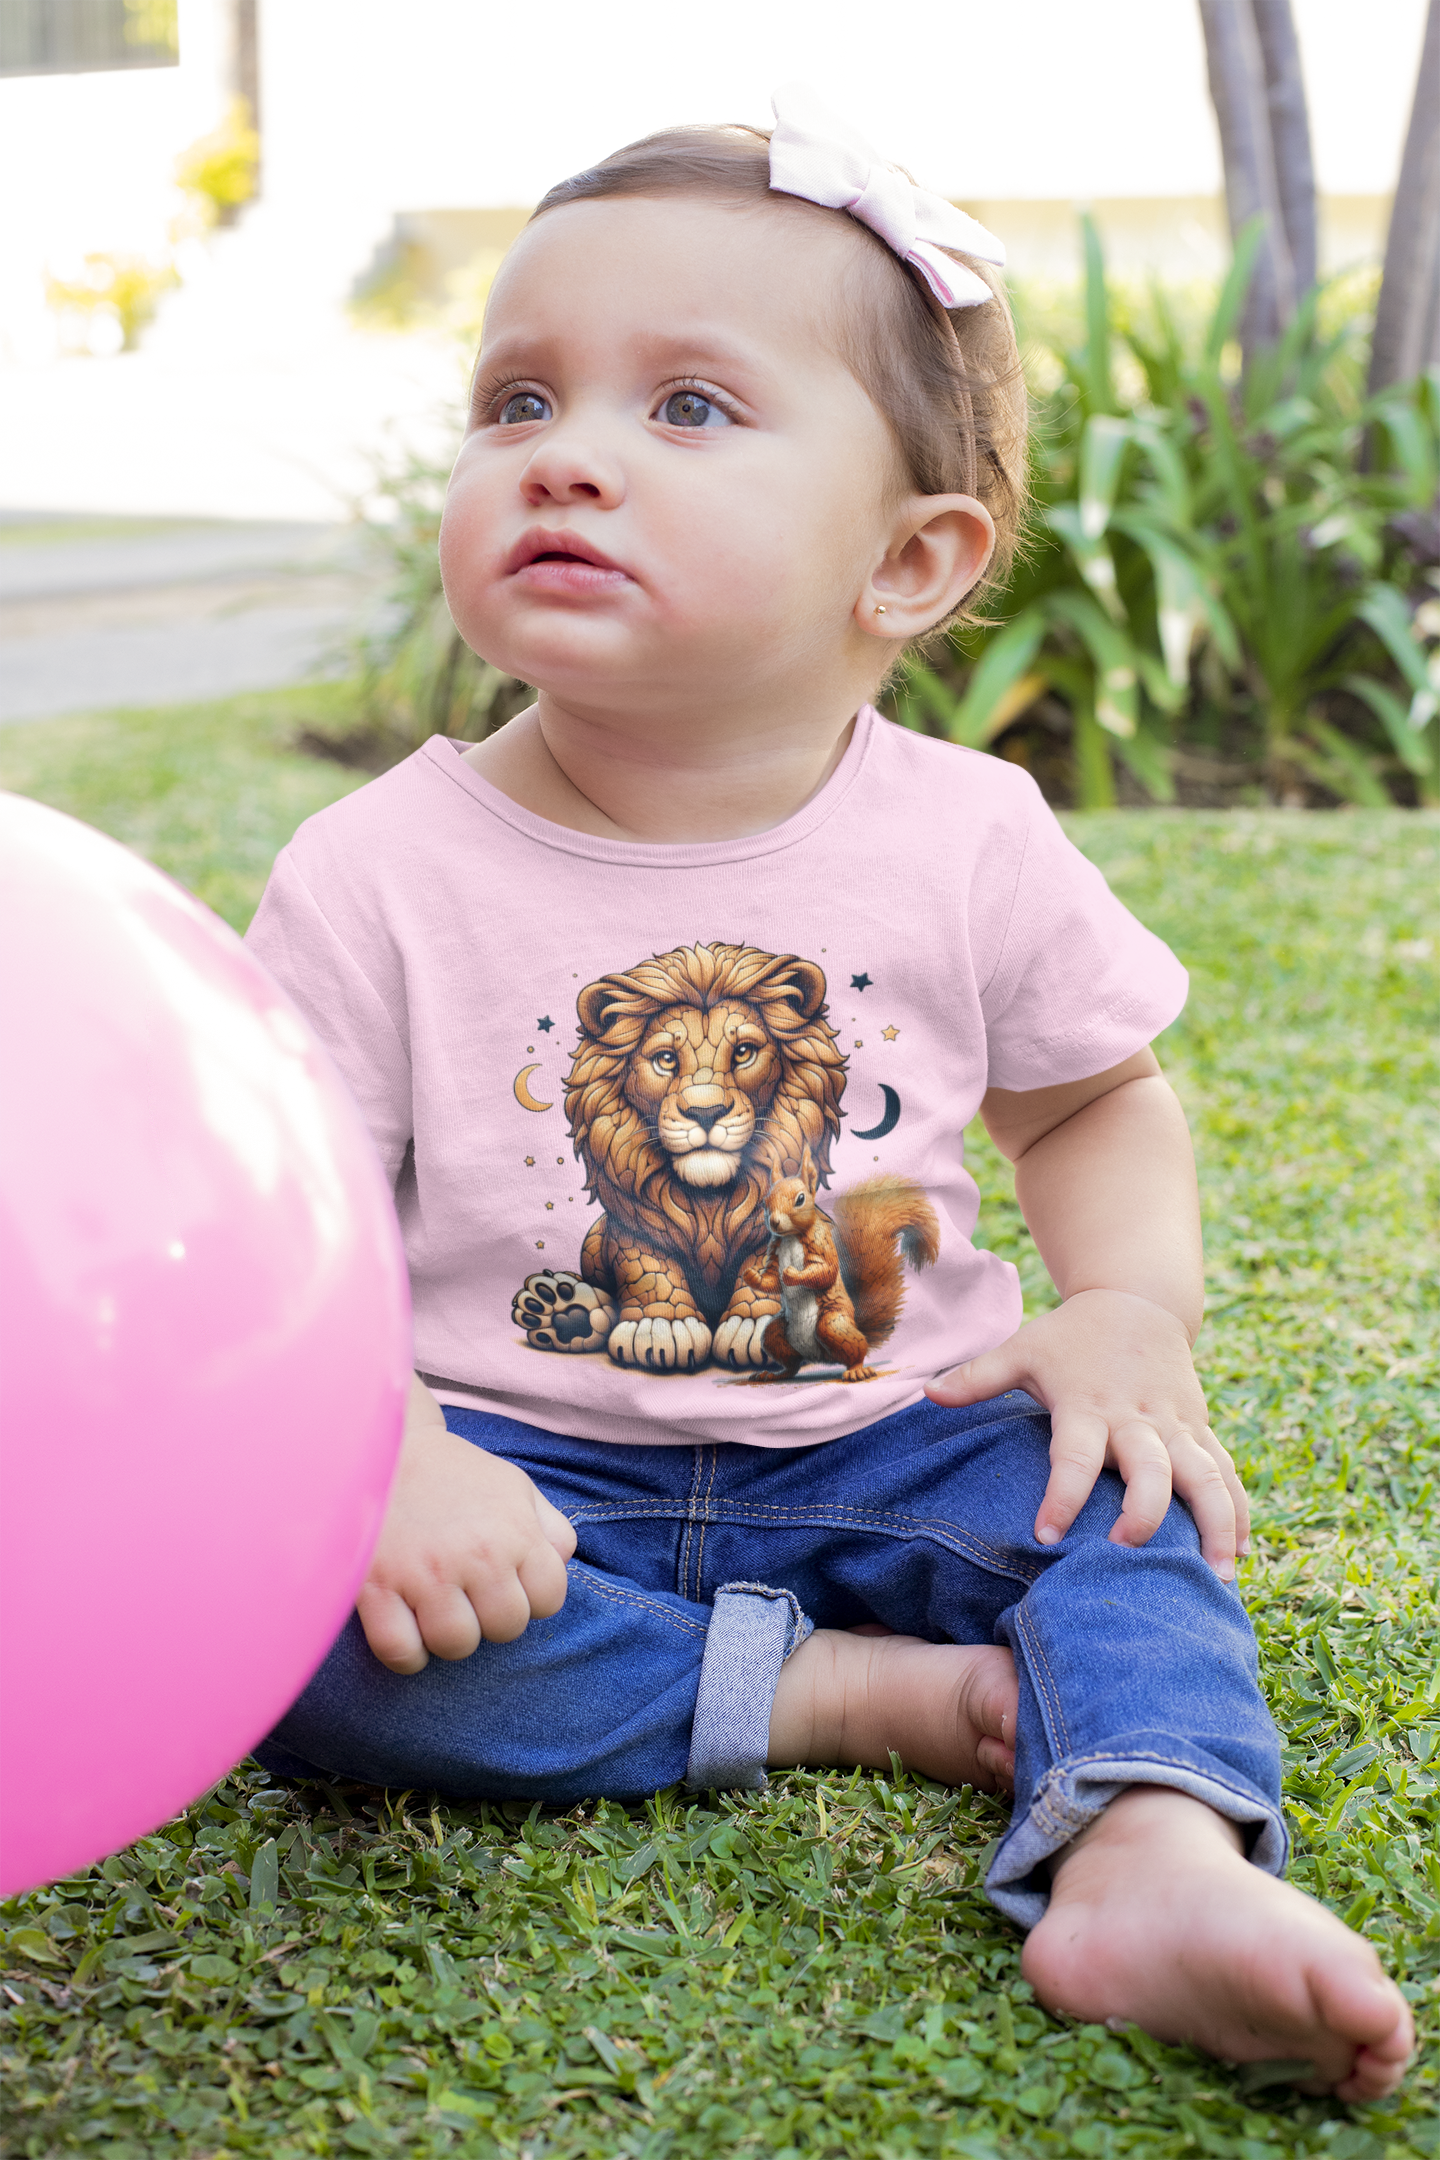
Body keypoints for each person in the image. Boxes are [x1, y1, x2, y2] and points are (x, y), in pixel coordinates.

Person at [245, 88, 1412, 2101]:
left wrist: (1128, 1309)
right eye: (517, 402)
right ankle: (844, 1700)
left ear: (911, 559)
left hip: (901, 1426)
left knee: (1133, 1524)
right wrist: (384, 1448)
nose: (571, 456)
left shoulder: (968, 838)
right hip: (524, 1465)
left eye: (686, 410)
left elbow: (1093, 1102)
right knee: (310, 1648)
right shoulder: (369, 872)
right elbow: (290, 1221)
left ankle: (1149, 1840)